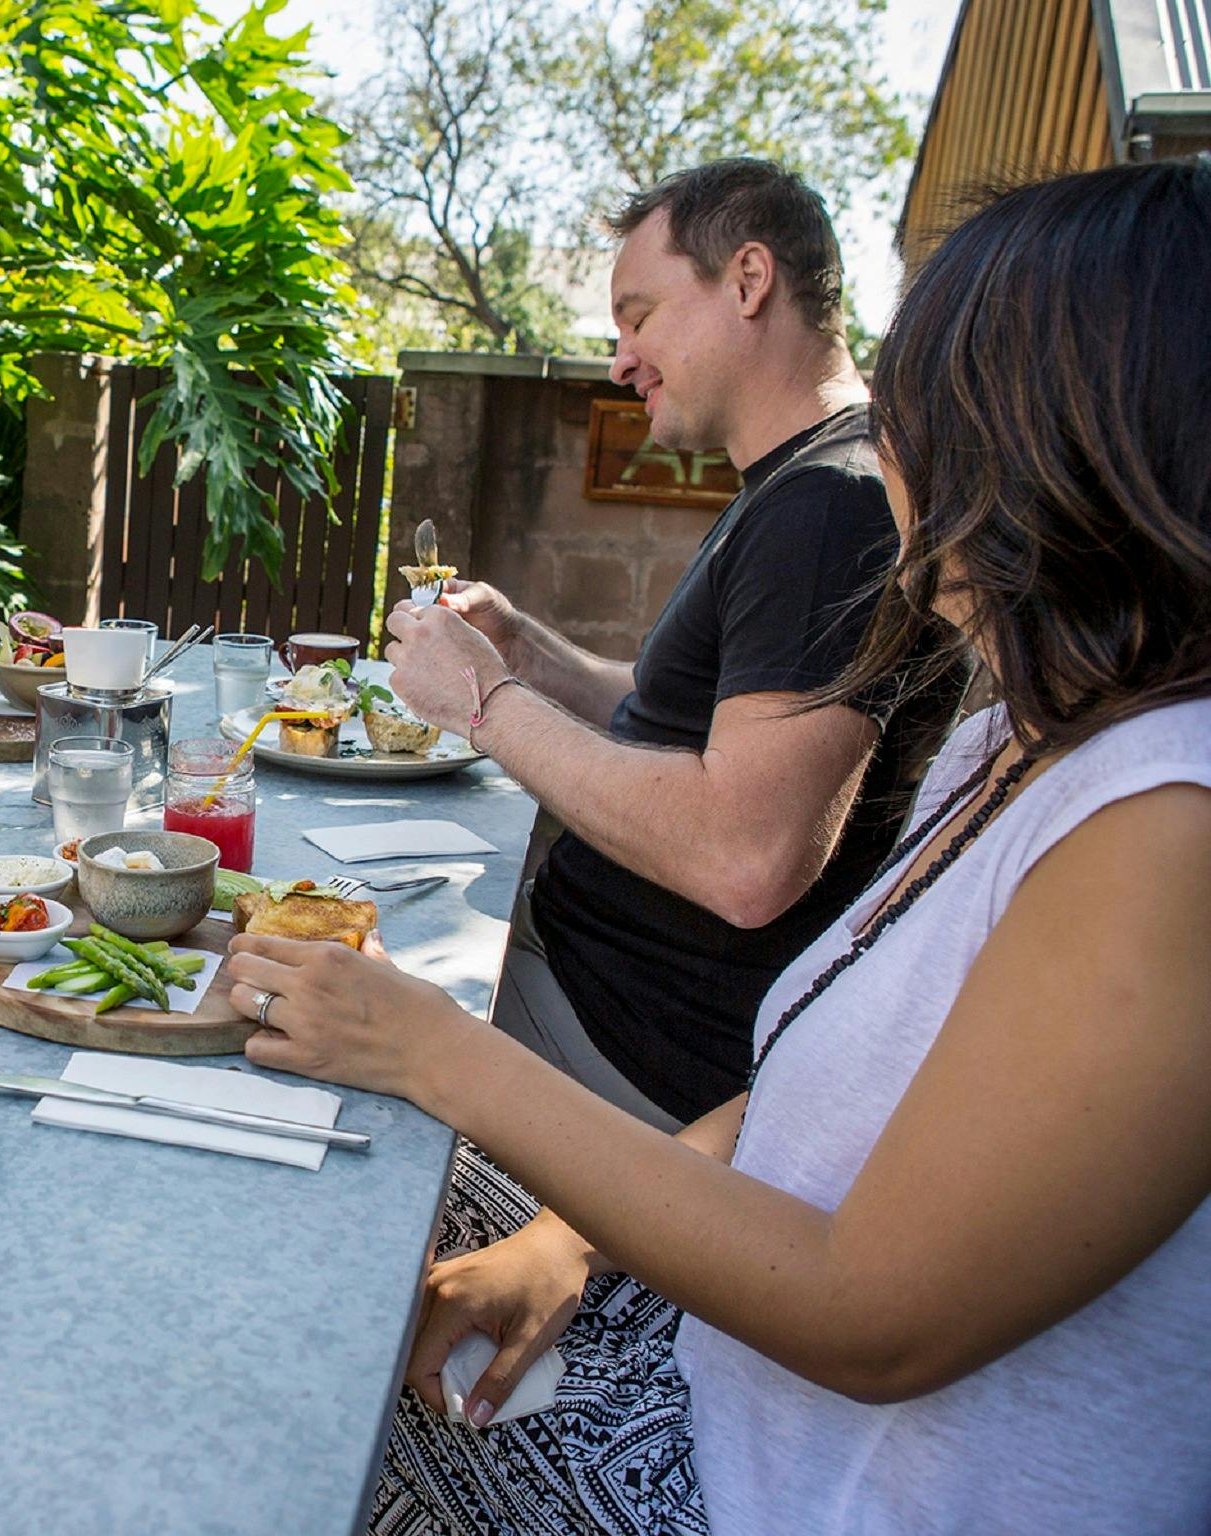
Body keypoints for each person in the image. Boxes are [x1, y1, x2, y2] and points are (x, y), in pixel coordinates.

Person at [229, 159, 1211, 1534]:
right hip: (719, 1363)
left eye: (936, 393)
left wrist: (432, 1047)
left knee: (288, 1320)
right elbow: (817, 1068)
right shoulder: (1030, 752)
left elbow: (871, 1315)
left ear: (1066, 436)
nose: (900, 439)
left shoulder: (1167, 827)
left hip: (762, 1484)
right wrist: (564, 1238)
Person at [429, 160, 960, 1128]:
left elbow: (747, 857)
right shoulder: (799, 481)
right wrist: (524, 651)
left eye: (639, 317)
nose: (621, 358)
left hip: (620, 1048)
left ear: (749, 281)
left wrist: (484, 704)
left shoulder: (832, 508)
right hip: (582, 986)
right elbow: (686, 724)